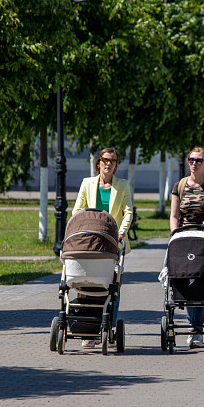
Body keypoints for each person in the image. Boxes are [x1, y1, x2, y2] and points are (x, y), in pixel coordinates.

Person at [72, 147, 133, 347]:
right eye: (105, 160)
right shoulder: (87, 184)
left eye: (113, 161)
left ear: (116, 165)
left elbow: (128, 212)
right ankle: (86, 332)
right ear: (98, 162)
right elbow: (78, 210)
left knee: (112, 286)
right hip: (89, 240)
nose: (108, 163)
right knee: (85, 282)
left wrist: (120, 232)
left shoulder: (123, 186)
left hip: (112, 242)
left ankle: (109, 328)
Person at [170, 147, 204, 348]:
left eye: (199, 160)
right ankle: (195, 326)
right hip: (183, 237)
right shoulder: (180, 185)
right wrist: (175, 235)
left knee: (201, 279)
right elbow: (174, 216)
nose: (194, 163)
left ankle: (197, 330)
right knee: (184, 276)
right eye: (191, 160)